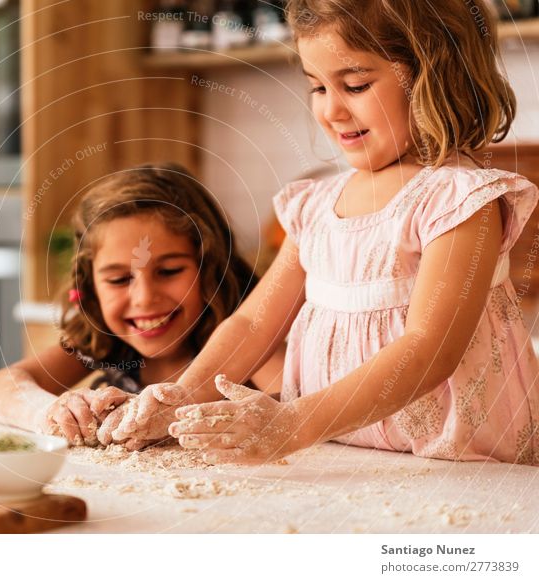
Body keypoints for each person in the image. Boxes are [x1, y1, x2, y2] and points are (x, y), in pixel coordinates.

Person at [115, 0, 539, 465]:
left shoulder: (458, 201)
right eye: (317, 87)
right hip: (343, 453)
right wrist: (182, 395)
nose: (331, 110)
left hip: (460, 465)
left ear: (434, 80)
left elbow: (429, 347)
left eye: (355, 85)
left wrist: (294, 423)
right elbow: (256, 323)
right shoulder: (315, 206)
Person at [0, 162, 285, 449]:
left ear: (212, 270)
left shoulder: (249, 342)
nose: (144, 298)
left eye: (169, 272)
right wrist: (48, 411)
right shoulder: (102, 342)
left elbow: (299, 405)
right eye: (119, 279)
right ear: (90, 287)